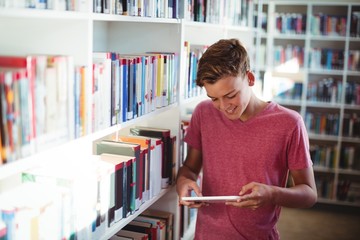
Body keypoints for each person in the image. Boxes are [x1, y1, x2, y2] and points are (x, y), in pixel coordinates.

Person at [176, 38, 317, 240]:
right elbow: (189, 168)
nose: (224, 106)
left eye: (231, 95)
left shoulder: (290, 123)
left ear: (249, 79)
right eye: (214, 98)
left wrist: (272, 194)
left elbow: (309, 195)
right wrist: (183, 182)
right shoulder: (203, 113)